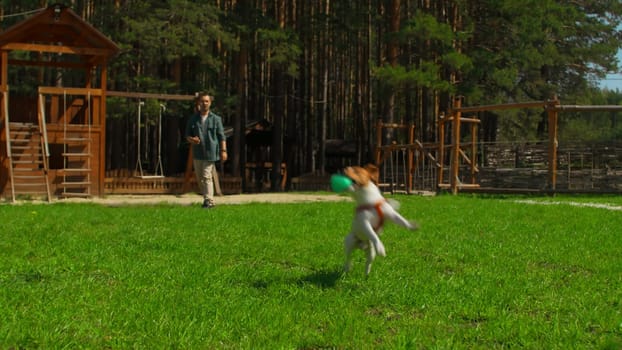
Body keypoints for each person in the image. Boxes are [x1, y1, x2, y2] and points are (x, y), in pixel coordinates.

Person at [185, 92, 227, 208]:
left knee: (206, 175)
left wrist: (223, 151)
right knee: (200, 178)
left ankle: (209, 201)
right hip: (198, 152)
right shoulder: (193, 119)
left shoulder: (216, 119)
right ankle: (206, 199)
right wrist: (192, 140)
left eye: (206, 101)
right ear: (198, 103)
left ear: (210, 103)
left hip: (210, 152)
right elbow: (187, 135)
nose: (204, 103)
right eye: (202, 101)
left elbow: (221, 136)